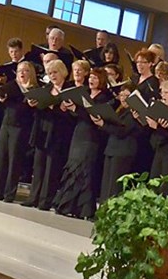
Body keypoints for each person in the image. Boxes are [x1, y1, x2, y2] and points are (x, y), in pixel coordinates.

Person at [54, 67, 115, 219]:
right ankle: (67, 204)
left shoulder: (105, 97)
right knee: (73, 167)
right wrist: (69, 108)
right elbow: (79, 115)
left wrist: (76, 109)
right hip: (79, 133)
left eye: (95, 77)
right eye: (91, 77)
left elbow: (94, 116)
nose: (91, 80)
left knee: (85, 169)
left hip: (91, 136)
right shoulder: (84, 93)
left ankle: (83, 209)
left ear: (101, 80)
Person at [22, 59, 74, 210]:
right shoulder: (46, 88)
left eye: (55, 72)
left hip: (58, 133)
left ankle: (45, 201)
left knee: (51, 169)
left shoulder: (68, 90)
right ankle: (33, 198)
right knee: (38, 167)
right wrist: (34, 105)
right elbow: (40, 107)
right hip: (42, 131)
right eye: (50, 73)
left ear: (63, 72)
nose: (52, 76)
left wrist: (55, 107)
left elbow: (70, 116)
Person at [0, 61, 37, 202]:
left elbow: (29, 111)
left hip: (21, 127)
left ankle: (9, 193)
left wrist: (25, 104)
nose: (22, 73)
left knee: (14, 160)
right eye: (20, 70)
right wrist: (2, 98)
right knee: (1, 158)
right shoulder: (12, 86)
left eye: (26, 70)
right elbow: (7, 103)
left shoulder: (33, 89)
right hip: (6, 124)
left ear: (31, 73)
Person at [93, 80, 141, 201]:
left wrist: (103, 124)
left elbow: (122, 131)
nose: (123, 98)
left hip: (123, 152)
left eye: (127, 96)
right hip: (112, 149)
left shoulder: (134, 114)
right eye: (122, 95)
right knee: (106, 184)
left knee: (114, 187)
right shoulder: (120, 110)